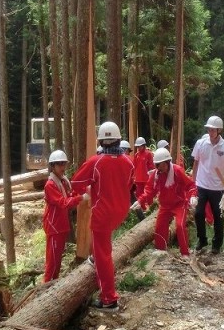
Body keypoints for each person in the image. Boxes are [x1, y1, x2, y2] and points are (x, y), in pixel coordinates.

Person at [70, 120, 135, 310]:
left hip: (103, 214)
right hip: (121, 210)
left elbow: (76, 183)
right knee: (102, 247)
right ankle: (96, 257)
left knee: (104, 255)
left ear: (101, 142)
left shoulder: (96, 161)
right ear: (118, 140)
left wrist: (90, 188)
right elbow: (128, 185)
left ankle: (109, 298)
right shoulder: (128, 162)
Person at [134, 146, 196, 256]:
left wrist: (193, 196)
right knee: (159, 227)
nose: (159, 167)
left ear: (167, 162)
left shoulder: (177, 171)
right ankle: (161, 250)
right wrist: (140, 201)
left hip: (179, 204)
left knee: (180, 226)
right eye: (157, 165)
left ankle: (185, 252)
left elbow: (190, 185)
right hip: (165, 205)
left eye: (161, 164)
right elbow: (149, 190)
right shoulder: (156, 174)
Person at [191, 115, 224, 254]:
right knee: (198, 213)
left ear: (219, 130)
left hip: (218, 187)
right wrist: (193, 183)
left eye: (213, 130)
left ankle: (217, 244)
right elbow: (196, 163)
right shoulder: (200, 143)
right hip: (202, 185)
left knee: (219, 216)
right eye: (209, 129)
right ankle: (202, 239)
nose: (210, 132)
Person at [43, 149, 89, 282]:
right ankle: (46, 287)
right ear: (53, 166)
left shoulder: (63, 181)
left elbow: (70, 195)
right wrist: (81, 198)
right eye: (59, 164)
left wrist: (80, 193)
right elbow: (63, 202)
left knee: (57, 259)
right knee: (52, 261)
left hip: (61, 224)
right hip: (54, 225)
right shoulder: (50, 185)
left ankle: (53, 283)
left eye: (64, 164)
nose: (62, 167)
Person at [132, 137, 154, 203]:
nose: (138, 148)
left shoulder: (148, 154)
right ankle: (141, 208)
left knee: (148, 194)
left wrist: (151, 176)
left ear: (144, 145)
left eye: (140, 146)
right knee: (139, 195)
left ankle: (149, 209)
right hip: (138, 179)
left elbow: (151, 166)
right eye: (137, 146)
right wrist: (134, 177)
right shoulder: (136, 155)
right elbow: (134, 166)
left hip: (147, 179)